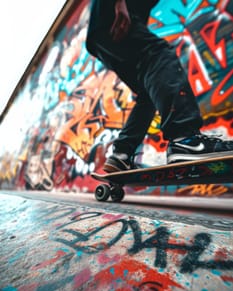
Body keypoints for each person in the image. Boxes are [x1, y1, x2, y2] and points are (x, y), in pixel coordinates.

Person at [86, 0, 233, 172]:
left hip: (105, 30)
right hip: (114, 17)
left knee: (147, 94)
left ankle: (122, 154)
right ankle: (185, 139)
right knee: (160, 54)